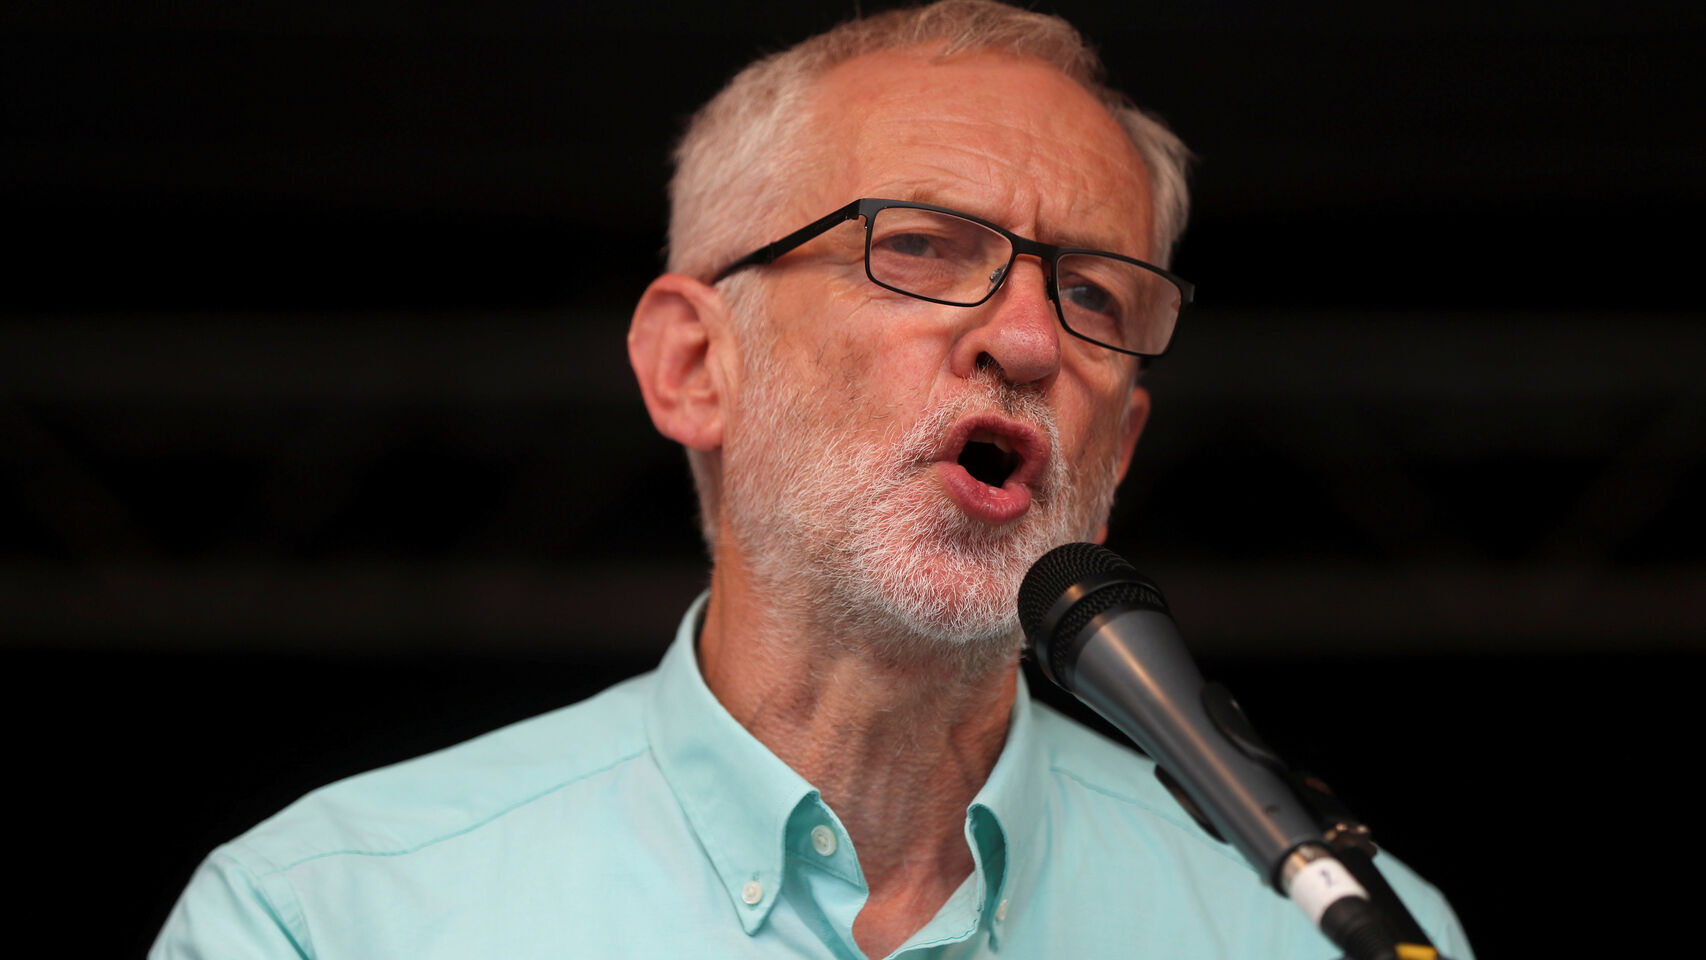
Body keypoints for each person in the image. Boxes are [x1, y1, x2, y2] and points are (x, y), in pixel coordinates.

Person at [152, 2, 1473, 957]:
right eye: (920, 246)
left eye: (1088, 292)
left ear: (1116, 449)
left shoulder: (1317, 930)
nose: (1022, 339)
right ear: (692, 366)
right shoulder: (334, 916)